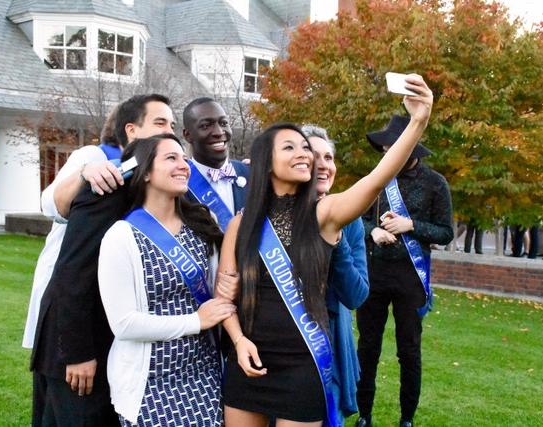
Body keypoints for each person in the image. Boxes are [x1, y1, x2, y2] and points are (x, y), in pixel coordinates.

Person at [218, 74, 433, 427]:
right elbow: (225, 298)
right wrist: (239, 341)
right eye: (290, 147)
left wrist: (418, 121)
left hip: (302, 363)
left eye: (306, 148)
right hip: (248, 359)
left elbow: (377, 177)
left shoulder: (325, 214)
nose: (304, 153)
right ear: (264, 161)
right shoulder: (240, 225)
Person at [30, 94, 176, 426]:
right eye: (160, 122)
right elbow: (72, 271)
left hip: (114, 344)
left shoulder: (149, 188)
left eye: (172, 124)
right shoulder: (106, 182)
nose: (170, 130)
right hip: (76, 348)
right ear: (131, 131)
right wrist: (78, 353)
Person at [98, 134, 236, 426]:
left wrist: (228, 288)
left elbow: (215, 291)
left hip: (204, 376)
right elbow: (123, 324)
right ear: (146, 172)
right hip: (149, 384)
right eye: (171, 158)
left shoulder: (202, 221)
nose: (183, 165)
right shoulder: (121, 236)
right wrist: (195, 322)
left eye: (184, 158)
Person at [355, 115, 454, 427]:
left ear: (410, 148)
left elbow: (445, 232)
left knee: (409, 350)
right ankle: (364, 415)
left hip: (411, 277)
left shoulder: (436, 183)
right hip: (375, 273)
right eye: (383, 150)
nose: (385, 155)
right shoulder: (378, 178)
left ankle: (407, 418)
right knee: (367, 348)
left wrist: (410, 225)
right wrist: (372, 231)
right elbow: (358, 218)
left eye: (391, 149)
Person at [22, 104, 124, 350]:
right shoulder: (93, 156)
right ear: (127, 128)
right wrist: (84, 173)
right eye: (158, 122)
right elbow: (49, 205)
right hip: (71, 274)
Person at [302, 124, 370, 424]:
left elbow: (355, 294)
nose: (324, 165)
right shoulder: (275, 212)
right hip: (281, 345)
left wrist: (337, 236)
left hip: (329, 342)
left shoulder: (350, 220)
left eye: (329, 157)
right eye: (314, 156)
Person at [182, 97, 249, 230]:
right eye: (206, 126)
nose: (219, 132)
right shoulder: (180, 180)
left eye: (224, 123)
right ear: (187, 135)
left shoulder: (250, 173)